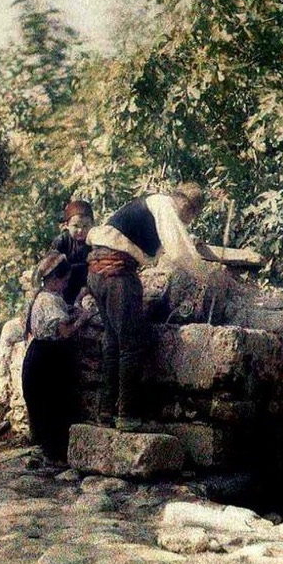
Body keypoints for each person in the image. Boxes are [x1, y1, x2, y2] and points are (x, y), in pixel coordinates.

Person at [86, 182, 212, 431]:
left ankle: (104, 412)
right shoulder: (165, 205)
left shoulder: (148, 205)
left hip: (97, 272)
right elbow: (179, 250)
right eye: (190, 216)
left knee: (112, 342)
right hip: (117, 274)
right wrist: (207, 276)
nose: (187, 222)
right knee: (131, 345)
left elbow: (164, 245)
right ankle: (127, 415)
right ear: (186, 205)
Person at [21, 251, 92, 461]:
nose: (66, 284)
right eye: (65, 280)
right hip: (48, 360)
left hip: (40, 355)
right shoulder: (48, 301)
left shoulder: (46, 297)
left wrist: (78, 301)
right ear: (54, 280)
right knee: (53, 403)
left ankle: (51, 451)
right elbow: (65, 332)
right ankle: (55, 453)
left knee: (48, 404)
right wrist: (83, 319)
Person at [50, 200, 95, 305]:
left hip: (88, 285)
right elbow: (50, 266)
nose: (80, 230)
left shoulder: (95, 240)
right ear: (67, 225)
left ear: (93, 224)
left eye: (85, 226)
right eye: (76, 226)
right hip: (64, 284)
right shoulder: (62, 241)